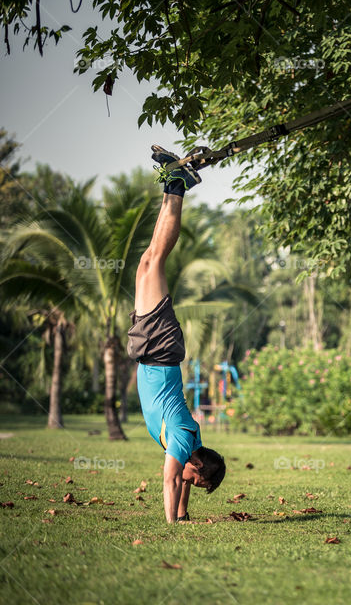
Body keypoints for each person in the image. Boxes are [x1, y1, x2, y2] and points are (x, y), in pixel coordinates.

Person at [127, 145, 226, 523]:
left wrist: (183, 516)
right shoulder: (185, 441)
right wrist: (171, 525)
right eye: (198, 482)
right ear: (196, 465)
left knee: (147, 260)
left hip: (156, 351)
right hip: (160, 349)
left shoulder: (192, 444)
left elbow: (181, 482)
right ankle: (179, 185)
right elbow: (170, 480)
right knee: (154, 260)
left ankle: (175, 184)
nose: (191, 485)